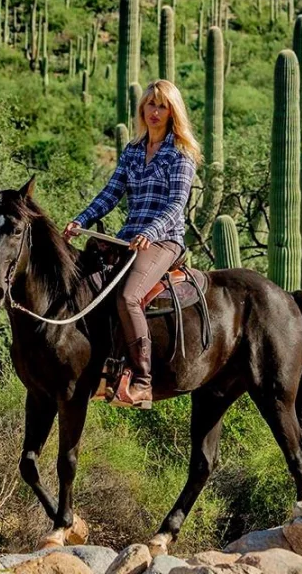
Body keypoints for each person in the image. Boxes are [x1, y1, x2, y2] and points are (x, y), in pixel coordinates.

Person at [63, 79, 201, 408]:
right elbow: (111, 193)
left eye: (162, 106)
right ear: (142, 109)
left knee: (128, 296)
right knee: (88, 286)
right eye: (150, 105)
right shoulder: (133, 151)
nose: (155, 111)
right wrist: (81, 219)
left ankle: (142, 383)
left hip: (165, 241)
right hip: (128, 238)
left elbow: (175, 205)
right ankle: (104, 369)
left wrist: (151, 232)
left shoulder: (180, 153)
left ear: (173, 111)